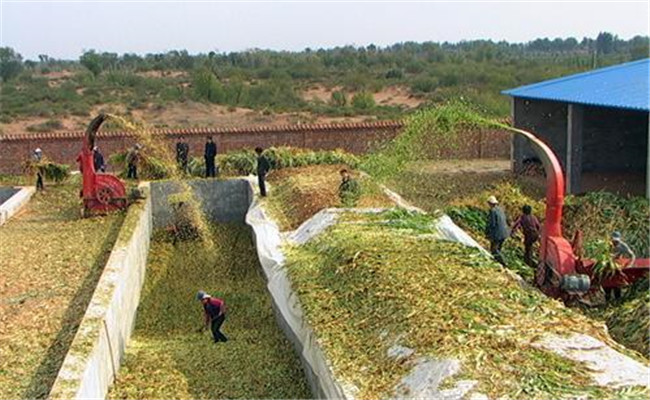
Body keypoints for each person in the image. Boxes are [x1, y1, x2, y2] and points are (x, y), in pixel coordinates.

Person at [605, 231, 637, 301]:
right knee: (606, 285)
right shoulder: (606, 245)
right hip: (607, 266)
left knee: (617, 285)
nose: (615, 242)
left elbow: (632, 255)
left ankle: (617, 301)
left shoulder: (623, 246)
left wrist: (630, 264)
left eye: (616, 241)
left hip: (618, 266)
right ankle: (607, 301)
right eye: (614, 240)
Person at [485, 195, 509, 266]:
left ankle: (504, 263)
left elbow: (492, 224)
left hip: (497, 234)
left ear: (490, 203)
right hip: (504, 232)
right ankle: (498, 263)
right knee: (499, 249)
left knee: (494, 250)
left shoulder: (492, 211)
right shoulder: (500, 210)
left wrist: (487, 232)